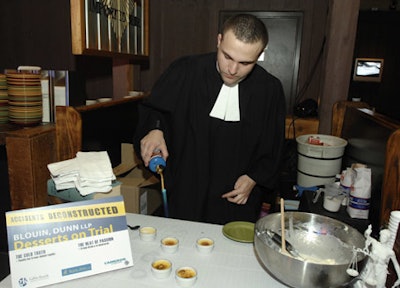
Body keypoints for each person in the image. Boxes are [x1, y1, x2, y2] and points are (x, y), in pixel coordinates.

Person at [134, 13, 286, 225]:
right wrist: (155, 130)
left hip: (234, 201)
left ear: (260, 54)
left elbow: (274, 146)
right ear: (219, 40)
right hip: (186, 191)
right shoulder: (184, 70)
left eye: (245, 63)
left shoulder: (270, 90)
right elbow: (155, 110)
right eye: (227, 57)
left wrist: (254, 178)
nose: (232, 70)